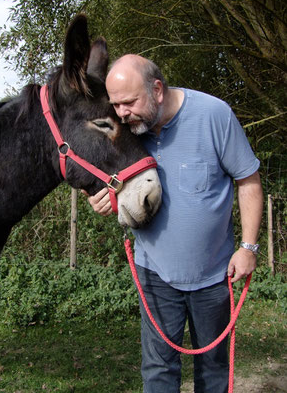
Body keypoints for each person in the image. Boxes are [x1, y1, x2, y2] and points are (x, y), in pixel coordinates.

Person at [87, 54, 263, 393]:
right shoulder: (128, 129)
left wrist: (248, 248)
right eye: (115, 104)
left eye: (128, 102)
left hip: (214, 276)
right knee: (158, 371)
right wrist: (106, 196)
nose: (121, 113)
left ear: (157, 90)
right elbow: (113, 180)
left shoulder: (213, 115)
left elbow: (249, 181)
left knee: (213, 372)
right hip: (154, 274)